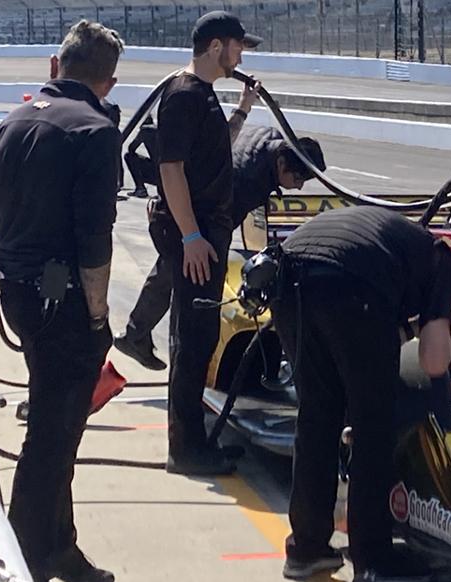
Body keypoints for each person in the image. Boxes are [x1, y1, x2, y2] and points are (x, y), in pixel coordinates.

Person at [0, 20, 125, 582]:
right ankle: (29, 556)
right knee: (52, 435)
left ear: (54, 65)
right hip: (65, 300)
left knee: (56, 425)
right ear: (108, 83)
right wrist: (97, 316)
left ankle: (59, 547)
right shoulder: (94, 132)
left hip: (19, 292)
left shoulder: (10, 123)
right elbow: (96, 241)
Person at [274, 206, 451, 582]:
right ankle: (373, 560)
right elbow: (434, 363)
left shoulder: (394, 239)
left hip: (288, 275)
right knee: (374, 426)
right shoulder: (442, 257)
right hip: (352, 285)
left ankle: (306, 548)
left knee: (317, 417)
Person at [147, 10, 261, 475]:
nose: (241, 55)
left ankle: (194, 443)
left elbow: (213, 154)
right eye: (238, 47)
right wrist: (191, 235)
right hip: (194, 236)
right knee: (192, 341)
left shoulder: (204, 95)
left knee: (200, 337)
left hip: (208, 233)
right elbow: (170, 168)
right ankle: (186, 449)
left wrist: (242, 110)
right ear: (217, 46)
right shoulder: (183, 94)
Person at [113, 125, 324, 372]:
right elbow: (223, 222)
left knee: (166, 272)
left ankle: (137, 334)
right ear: (281, 163)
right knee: (185, 280)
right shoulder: (250, 181)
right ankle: (153, 345)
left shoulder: (270, 137)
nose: (299, 187)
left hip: (187, 202)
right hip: (192, 217)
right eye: (298, 179)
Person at [124, 122, 158, 198]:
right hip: (168, 172)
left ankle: (140, 188)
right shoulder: (161, 130)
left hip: (156, 174)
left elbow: (131, 148)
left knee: (129, 156)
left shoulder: (146, 130)